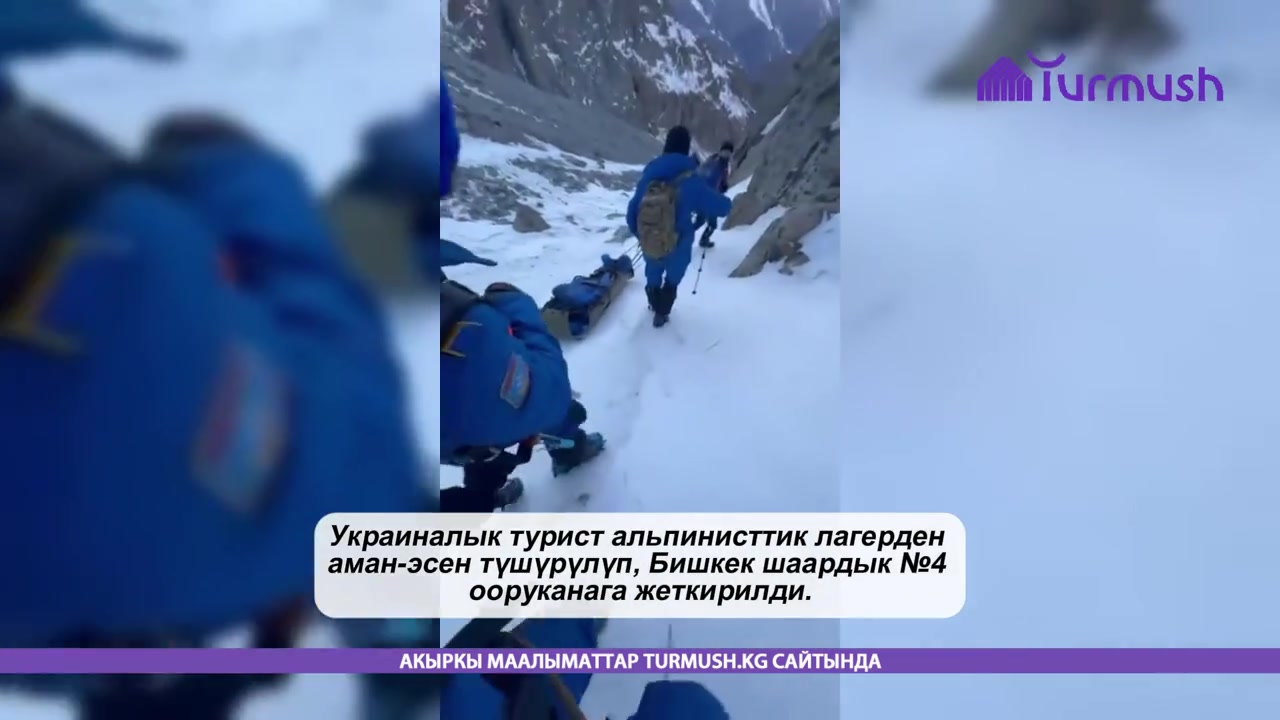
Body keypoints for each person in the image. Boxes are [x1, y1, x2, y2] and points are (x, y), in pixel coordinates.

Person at [0, 8, 433, 719]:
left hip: (97, 645)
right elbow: (340, 404)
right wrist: (232, 169)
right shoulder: (122, 249)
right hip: (268, 510)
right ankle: (404, 652)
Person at [627, 126, 732, 328]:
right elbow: (720, 207)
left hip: (650, 241)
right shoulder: (691, 180)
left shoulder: (648, 177)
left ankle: (653, 302)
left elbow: (631, 214)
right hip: (679, 243)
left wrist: (643, 235)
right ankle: (662, 313)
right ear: (685, 149)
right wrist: (729, 203)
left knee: (653, 273)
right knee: (673, 278)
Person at [693, 140, 734, 249]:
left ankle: (682, 236)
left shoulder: (715, 160)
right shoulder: (718, 164)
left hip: (703, 196)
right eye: (725, 151)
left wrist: (723, 185)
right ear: (721, 151)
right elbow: (711, 179)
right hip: (709, 197)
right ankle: (702, 240)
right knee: (711, 223)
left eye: (729, 152)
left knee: (700, 220)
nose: (727, 154)